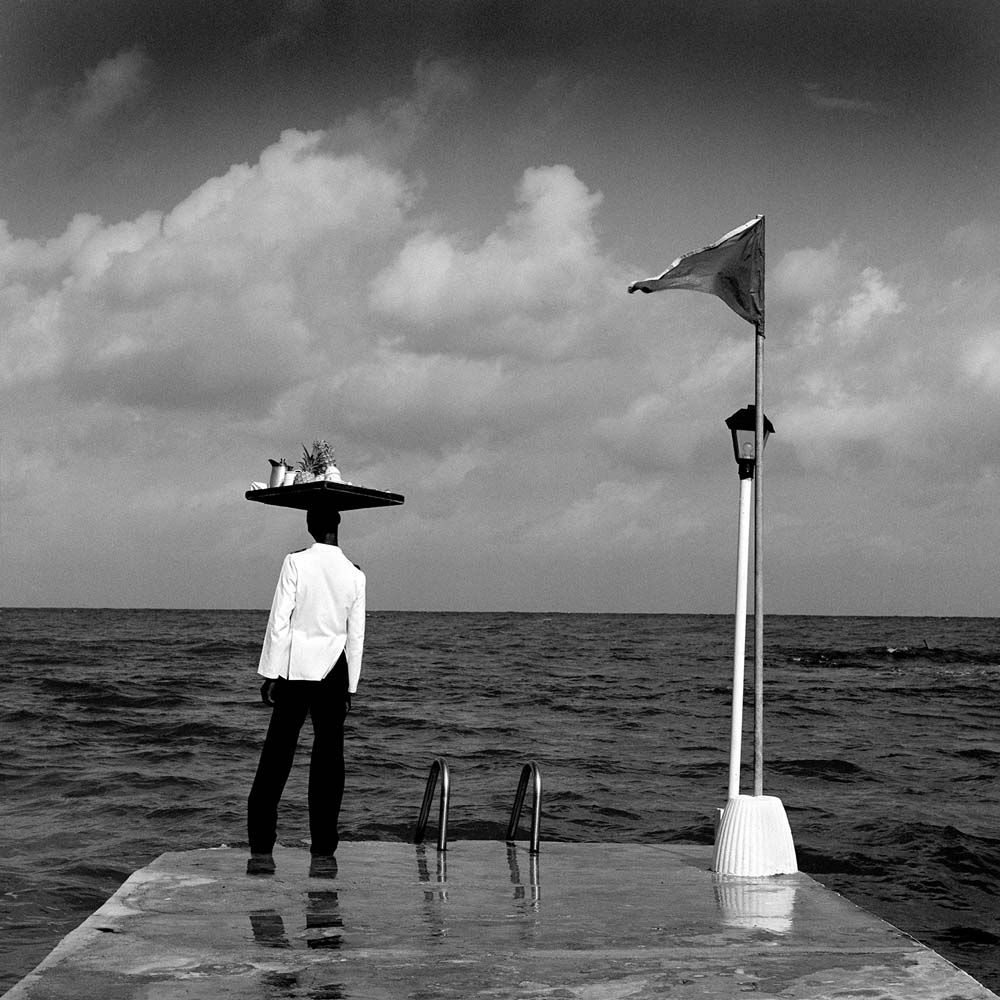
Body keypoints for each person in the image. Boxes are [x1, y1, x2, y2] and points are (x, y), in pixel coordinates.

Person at [247, 507, 366, 872]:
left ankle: (262, 844)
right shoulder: (355, 574)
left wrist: (270, 671)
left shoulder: (295, 563)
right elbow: (356, 634)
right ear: (338, 526)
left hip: (296, 667)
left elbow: (279, 619)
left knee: (277, 755)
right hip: (334, 669)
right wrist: (351, 685)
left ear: (310, 526)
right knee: (329, 760)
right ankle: (324, 848)